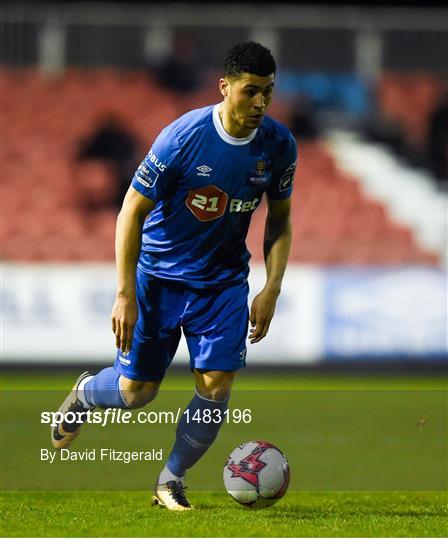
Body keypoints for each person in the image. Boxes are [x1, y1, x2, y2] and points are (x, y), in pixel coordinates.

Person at [51, 42, 297, 511]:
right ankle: (86, 392)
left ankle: (171, 479)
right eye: (251, 92)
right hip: (159, 281)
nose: (261, 103)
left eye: (268, 92)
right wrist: (125, 293)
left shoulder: (279, 145)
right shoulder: (182, 137)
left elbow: (280, 222)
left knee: (216, 386)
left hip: (222, 285)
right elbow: (130, 212)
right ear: (225, 87)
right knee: (136, 393)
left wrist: (271, 287)